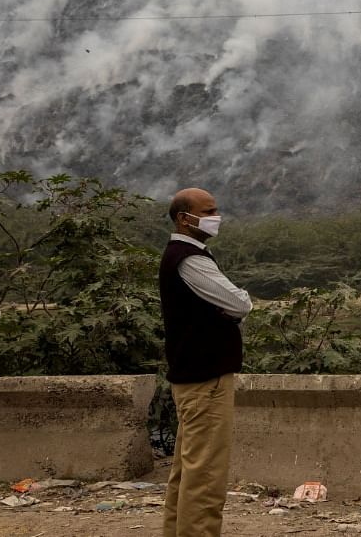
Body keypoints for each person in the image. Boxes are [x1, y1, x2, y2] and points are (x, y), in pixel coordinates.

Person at [159, 187, 253, 537]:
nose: (216, 217)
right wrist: (233, 306)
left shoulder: (181, 255)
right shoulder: (190, 259)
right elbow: (240, 304)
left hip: (192, 379)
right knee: (206, 477)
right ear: (185, 219)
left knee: (186, 474)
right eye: (209, 211)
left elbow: (228, 305)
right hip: (206, 382)